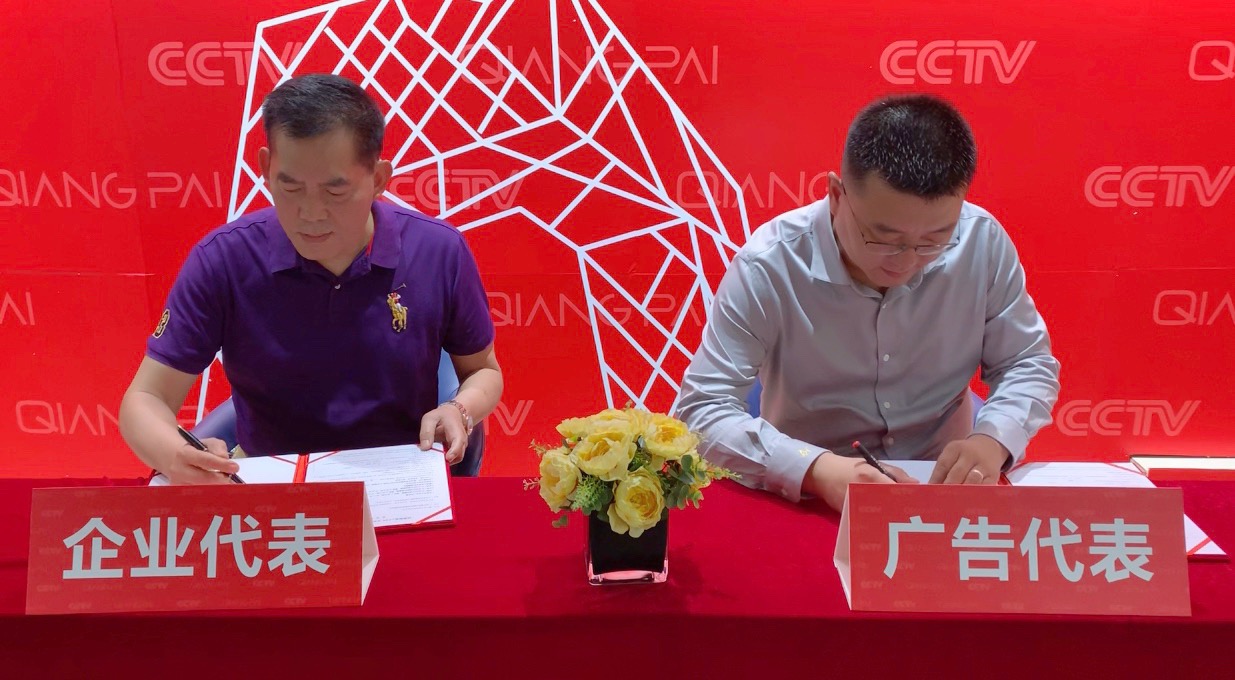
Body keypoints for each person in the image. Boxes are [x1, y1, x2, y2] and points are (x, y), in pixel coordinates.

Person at [676, 94, 1060, 511]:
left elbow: (1027, 362)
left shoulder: (981, 241)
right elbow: (700, 409)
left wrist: (992, 439)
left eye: (934, 241)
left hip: (939, 486)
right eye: (883, 239)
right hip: (812, 496)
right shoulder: (769, 266)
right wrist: (816, 469)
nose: (907, 261)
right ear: (836, 195)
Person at [119, 74, 502, 484]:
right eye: (291, 187)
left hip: (399, 478)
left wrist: (460, 408)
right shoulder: (224, 259)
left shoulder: (438, 251)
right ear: (266, 168)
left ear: (378, 178)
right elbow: (146, 397)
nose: (310, 213)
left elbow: (483, 371)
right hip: (271, 485)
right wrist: (176, 455)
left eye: (335, 192)